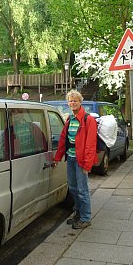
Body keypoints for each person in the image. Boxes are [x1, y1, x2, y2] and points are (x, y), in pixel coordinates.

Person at [54, 90, 98, 229]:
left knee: (82, 190)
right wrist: (58, 157)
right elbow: (63, 139)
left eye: (75, 100)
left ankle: (86, 218)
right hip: (71, 158)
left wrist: (87, 164)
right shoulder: (69, 119)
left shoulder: (88, 119)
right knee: (73, 188)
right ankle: (78, 213)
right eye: (70, 101)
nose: (72, 103)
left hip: (81, 160)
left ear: (80, 102)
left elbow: (91, 144)